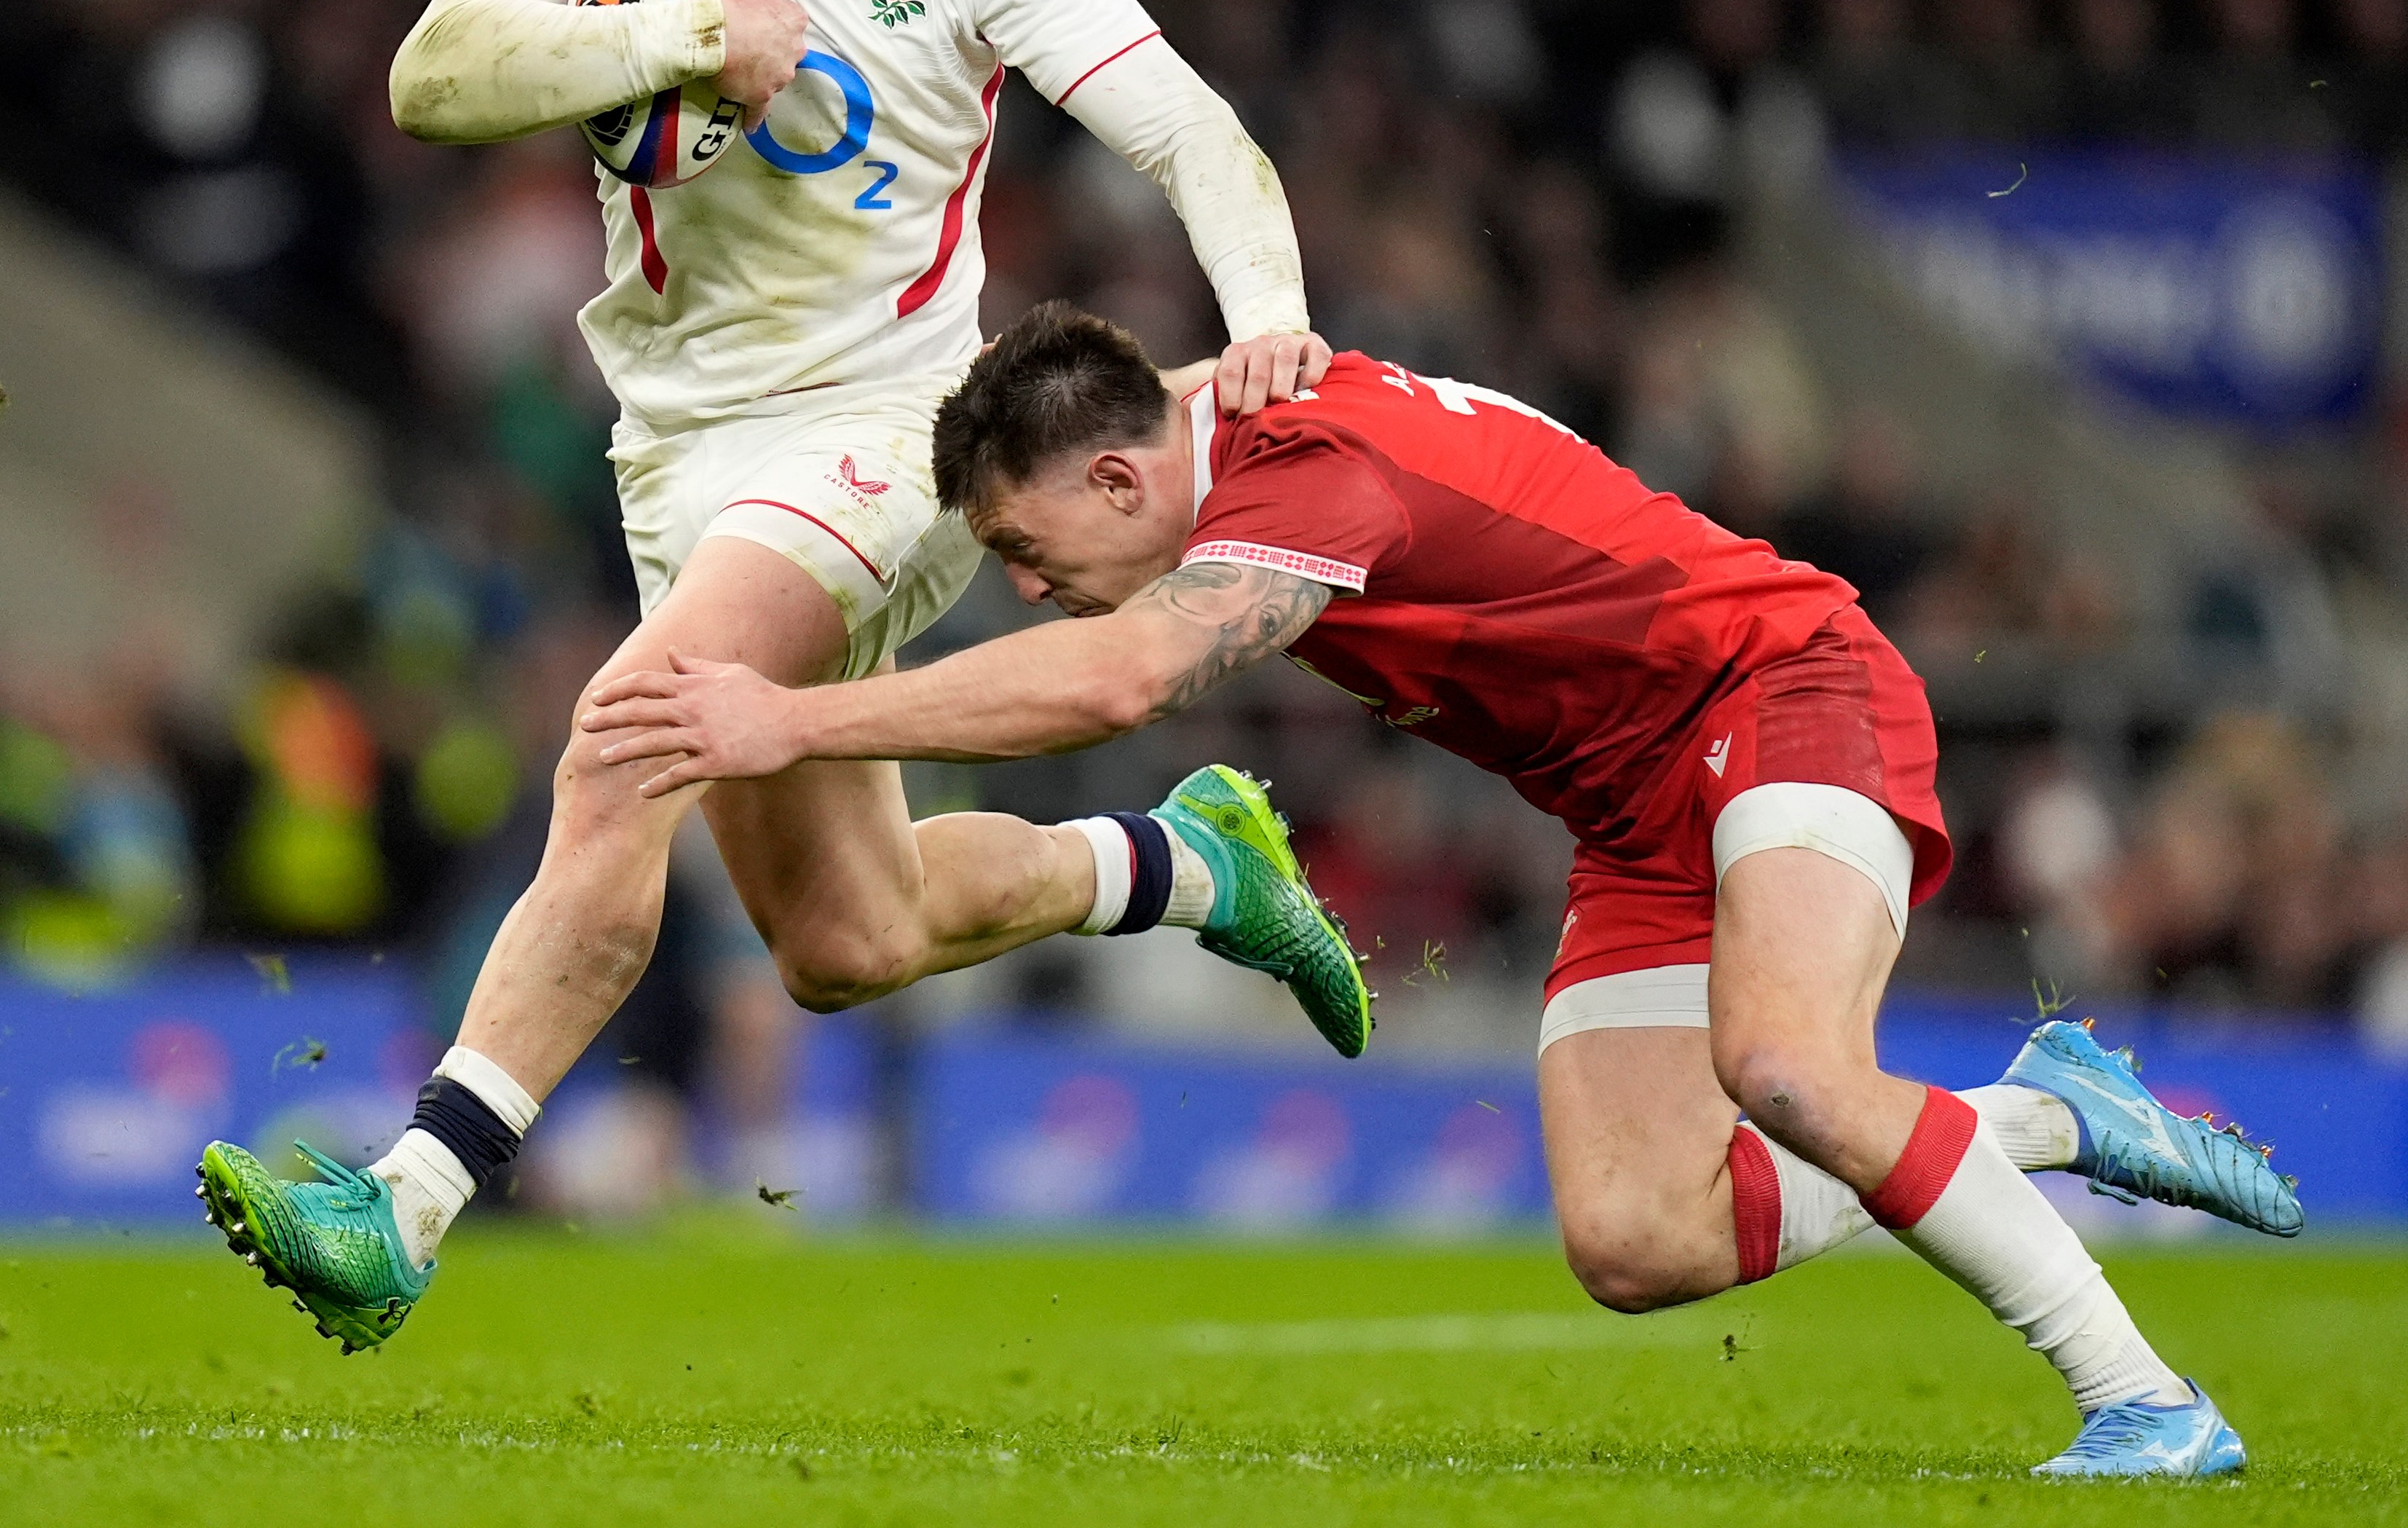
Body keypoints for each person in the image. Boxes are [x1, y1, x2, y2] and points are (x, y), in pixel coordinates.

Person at [194, 0, 1368, 1350]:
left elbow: (1190, 130)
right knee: (846, 938)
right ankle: (1195, 867)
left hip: (897, 432)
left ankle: (405, 1204)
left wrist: (1268, 307)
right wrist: (687, 34)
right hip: (680, 454)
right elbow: (433, 76)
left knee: (631, 731)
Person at [582, 304, 2303, 1481]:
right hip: (1636, 806)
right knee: (1634, 1241)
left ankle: (2147, 1399)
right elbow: (1122, 469)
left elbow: (1118, 683)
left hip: (1784, 692)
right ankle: (2045, 1116)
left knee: (1785, 1064)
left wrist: (786, 713)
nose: (1030, 588)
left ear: (1121, 477)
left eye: (1033, 555)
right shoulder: (1195, 426)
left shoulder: (1296, 487)